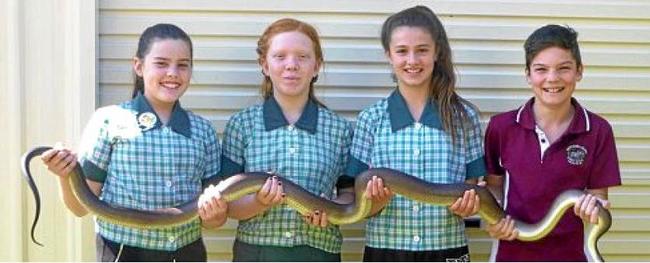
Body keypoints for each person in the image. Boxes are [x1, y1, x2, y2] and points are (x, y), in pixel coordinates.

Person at [40, 23, 227, 262]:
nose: (173, 72)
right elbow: (80, 207)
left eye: (183, 65)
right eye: (161, 63)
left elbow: (215, 221)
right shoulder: (108, 121)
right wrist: (65, 175)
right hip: (124, 252)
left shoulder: (204, 131)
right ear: (138, 66)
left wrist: (215, 213)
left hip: (187, 253)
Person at [345, 6, 487, 262]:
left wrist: (467, 205)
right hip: (386, 251)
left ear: (436, 52)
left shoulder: (464, 117)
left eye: (422, 50)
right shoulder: (371, 119)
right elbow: (355, 197)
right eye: (402, 51)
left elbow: (472, 186)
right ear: (389, 55)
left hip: (447, 248)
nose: (412, 60)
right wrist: (372, 202)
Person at [214, 18, 354, 261]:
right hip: (256, 254)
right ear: (264, 65)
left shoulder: (339, 129)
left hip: (319, 252)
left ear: (317, 66)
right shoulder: (242, 125)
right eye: (280, 56)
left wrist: (331, 210)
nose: (292, 65)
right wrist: (259, 202)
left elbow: (349, 194)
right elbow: (228, 203)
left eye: (302, 56)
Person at [483, 24, 622, 261]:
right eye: (541, 69)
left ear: (579, 71)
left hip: (572, 255)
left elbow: (598, 196)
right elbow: (493, 188)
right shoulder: (501, 127)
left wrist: (593, 209)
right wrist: (493, 220)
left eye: (563, 68)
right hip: (511, 253)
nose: (552, 78)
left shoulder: (598, 130)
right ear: (528, 74)